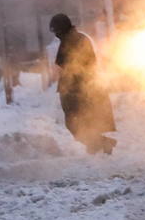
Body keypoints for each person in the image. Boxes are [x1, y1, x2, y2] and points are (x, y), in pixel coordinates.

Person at [49, 14, 117, 155]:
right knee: (82, 121)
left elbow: (77, 64)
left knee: (76, 122)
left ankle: (100, 144)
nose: (55, 34)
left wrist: (74, 80)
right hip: (75, 86)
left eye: (56, 30)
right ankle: (97, 145)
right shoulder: (73, 38)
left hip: (77, 88)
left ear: (61, 29)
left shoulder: (74, 40)